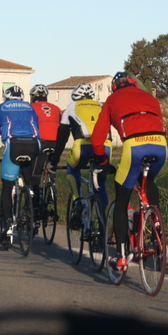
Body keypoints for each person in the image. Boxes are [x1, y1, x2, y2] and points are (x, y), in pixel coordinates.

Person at [91, 72, 167, 271]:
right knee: (149, 181)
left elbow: (97, 139)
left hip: (135, 145)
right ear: (135, 84)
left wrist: (103, 162)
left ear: (114, 87)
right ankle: (156, 224)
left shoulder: (112, 99)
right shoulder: (150, 97)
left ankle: (122, 256)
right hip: (161, 144)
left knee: (122, 198)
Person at [0, 85, 41, 248]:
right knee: (29, 179)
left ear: (6, 97)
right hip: (33, 144)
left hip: (14, 144)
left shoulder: (0, 108)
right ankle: (30, 205)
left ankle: (8, 227)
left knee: (7, 187)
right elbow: (37, 127)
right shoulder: (30, 107)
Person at [50, 83, 111, 228]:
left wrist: (54, 160)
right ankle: (106, 226)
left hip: (82, 146)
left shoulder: (71, 107)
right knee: (100, 186)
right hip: (105, 146)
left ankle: (78, 200)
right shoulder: (101, 106)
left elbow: (62, 138)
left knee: (72, 168)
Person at [28, 84, 61, 205]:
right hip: (55, 142)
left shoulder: (30, 107)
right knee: (51, 167)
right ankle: (52, 189)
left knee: (35, 174)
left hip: (40, 141)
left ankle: (35, 204)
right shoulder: (56, 108)